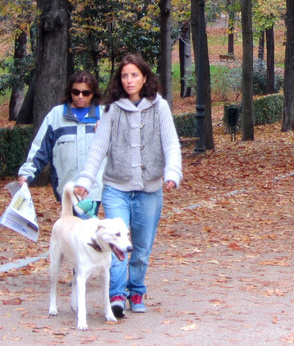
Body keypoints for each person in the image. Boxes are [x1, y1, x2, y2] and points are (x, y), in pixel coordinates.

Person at [74, 54, 182, 318]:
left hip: (150, 190)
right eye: (124, 75)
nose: (129, 80)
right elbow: (99, 147)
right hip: (116, 188)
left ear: (144, 77)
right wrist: (86, 180)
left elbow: (170, 143)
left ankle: (136, 290)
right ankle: (116, 295)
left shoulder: (160, 107)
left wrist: (172, 173)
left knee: (142, 247)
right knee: (117, 242)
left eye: (134, 75)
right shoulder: (111, 109)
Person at [18, 71, 103, 217]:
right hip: (66, 188)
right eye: (76, 92)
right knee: (72, 233)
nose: (80, 96)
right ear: (70, 91)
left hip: (93, 191)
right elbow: (41, 148)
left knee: (83, 231)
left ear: (93, 93)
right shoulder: (56, 115)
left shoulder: (104, 115)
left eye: (85, 92)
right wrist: (27, 174)